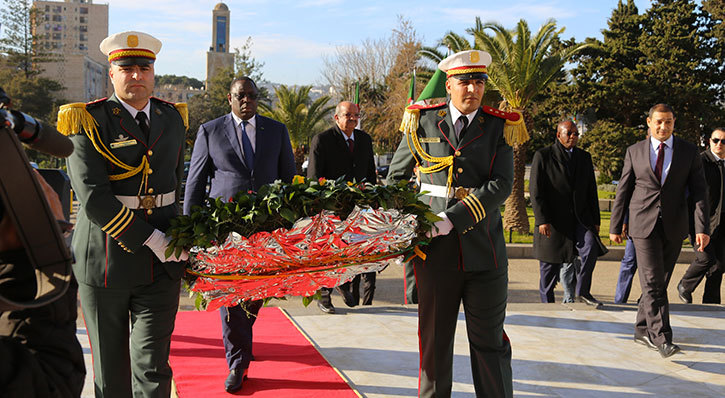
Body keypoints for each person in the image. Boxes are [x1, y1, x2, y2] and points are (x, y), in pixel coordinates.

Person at [61, 31, 189, 396]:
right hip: (107, 262)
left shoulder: (172, 118)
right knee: (112, 376)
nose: (136, 75)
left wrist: (184, 237)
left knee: (153, 369)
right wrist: (155, 239)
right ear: (111, 73)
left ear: (154, 72)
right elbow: (94, 199)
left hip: (161, 267)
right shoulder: (86, 121)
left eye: (144, 67)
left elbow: (173, 185)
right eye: (126, 67)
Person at [387, 50, 514, 397]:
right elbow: (396, 180)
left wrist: (451, 219)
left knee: (490, 343)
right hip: (434, 254)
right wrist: (405, 225)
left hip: (485, 252)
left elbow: (501, 185)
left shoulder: (500, 127)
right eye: (464, 81)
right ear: (449, 84)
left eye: (479, 81)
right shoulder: (422, 120)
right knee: (434, 343)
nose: (472, 88)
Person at [183, 76, 295, 393]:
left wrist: (294, 224)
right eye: (240, 95)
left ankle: (243, 338)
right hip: (224, 230)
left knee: (257, 291)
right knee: (232, 294)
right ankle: (237, 362)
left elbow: (289, 178)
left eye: (252, 95)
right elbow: (195, 182)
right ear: (229, 99)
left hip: (266, 228)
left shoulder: (276, 131)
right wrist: (191, 227)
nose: (246, 100)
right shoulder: (210, 131)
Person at [610, 103, 709, 359]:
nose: (663, 127)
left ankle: (642, 328)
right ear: (649, 122)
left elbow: (699, 192)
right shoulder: (635, 151)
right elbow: (624, 189)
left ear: (674, 123)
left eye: (668, 122)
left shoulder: (689, 152)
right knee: (653, 280)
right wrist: (615, 225)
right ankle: (662, 337)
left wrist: (701, 228)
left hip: (674, 226)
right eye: (658, 122)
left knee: (659, 282)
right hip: (642, 225)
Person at [307, 100, 378, 313]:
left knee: (353, 252)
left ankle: (344, 284)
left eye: (356, 115)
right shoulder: (322, 140)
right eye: (348, 115)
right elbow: (313, 178)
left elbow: (371, 174)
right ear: (336, 118)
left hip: (357, 210)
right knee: (328, 253)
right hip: (330, 210)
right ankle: (324, 296)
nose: (353, 119)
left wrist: (373, 201)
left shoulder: (364, 140)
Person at [530, 120, 603, 306]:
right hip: (553, 221)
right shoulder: (543, 156)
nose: (573, 137)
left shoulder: (584, 157)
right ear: (558, 135)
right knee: (549, 267)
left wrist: (595, 220)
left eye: (576, 133)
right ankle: (547, 305)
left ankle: (583, 291)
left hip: (579, 219)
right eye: (569, 133)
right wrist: (542, 220)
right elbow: (536, 191)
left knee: (590, 247)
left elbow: (591, 192)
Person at [677, 127, 725, 304]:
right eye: (716, 140)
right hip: (699, 222)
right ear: (709, 141)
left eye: (723, 141)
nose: (719, 144)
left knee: (718, 267)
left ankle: (711, 305)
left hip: (722, 222)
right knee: (705, 259)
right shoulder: (700, 162)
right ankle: (685, 285)